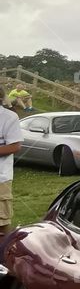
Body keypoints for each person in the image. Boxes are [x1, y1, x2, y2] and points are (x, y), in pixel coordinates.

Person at [0, 87, 24, 240]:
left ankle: (3, 258)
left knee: (1, 223)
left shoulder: (9, 117)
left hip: (0, 179)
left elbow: (15, 146)